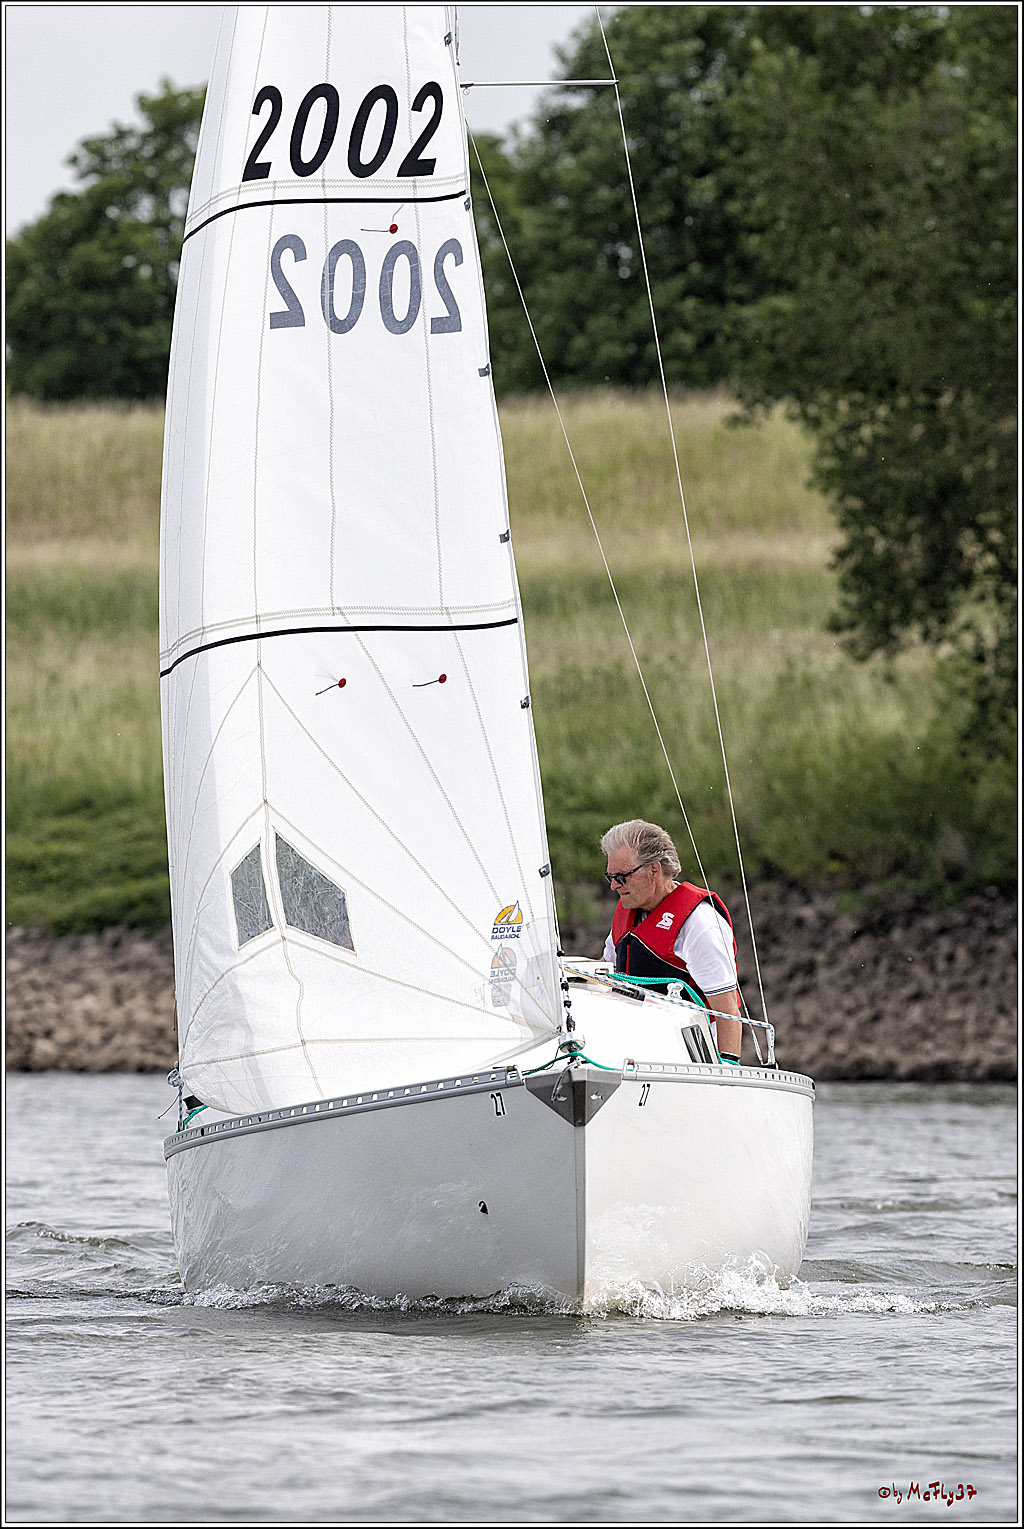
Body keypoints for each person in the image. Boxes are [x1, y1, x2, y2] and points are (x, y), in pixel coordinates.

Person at [600, 819, 744, 1063]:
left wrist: (727, 1069)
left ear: (654, 870)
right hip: (633, 1048)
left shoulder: (700, 923)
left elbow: (727, 1009)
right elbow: (603, 976)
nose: (614, 886)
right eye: (611, 877)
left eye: (621, 877)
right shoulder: (628, 912)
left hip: (687, 1055)